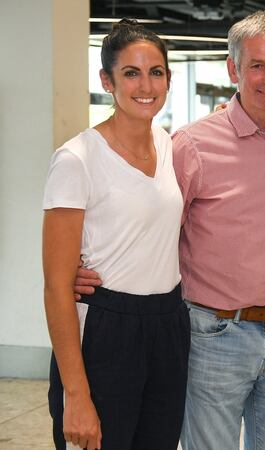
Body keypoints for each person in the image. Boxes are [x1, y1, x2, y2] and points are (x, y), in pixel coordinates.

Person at [74, 11, 265, 450]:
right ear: (233, 69)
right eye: (256, 65)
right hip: (215, 336)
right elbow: (152, 228)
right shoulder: (193, 145)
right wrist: (84, 265)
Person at [43, 19, 188, 450]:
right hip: (106, 328)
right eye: (131, 73)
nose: (146, 85)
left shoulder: (167, 143)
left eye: (156, 72)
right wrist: (76, 396)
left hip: (168, 325)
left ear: (167, 78)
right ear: (107, 80)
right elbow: (55, 286)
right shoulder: (75, 159)